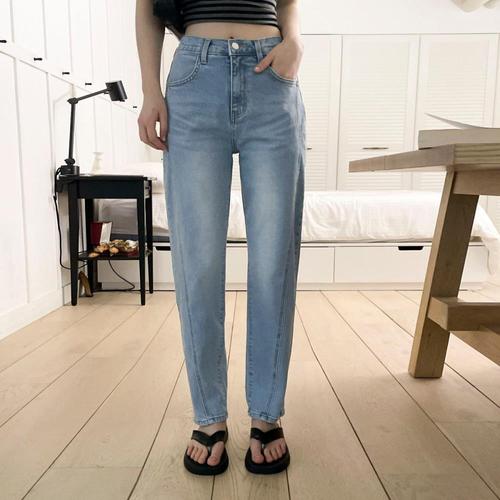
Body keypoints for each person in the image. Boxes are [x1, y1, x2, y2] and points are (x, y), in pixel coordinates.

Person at [136, 0, 305, 475]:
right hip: (195, 76)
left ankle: (267, 413)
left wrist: (294, 40)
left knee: (273, 262)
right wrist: (150, 91)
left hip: (272, 73)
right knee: (199, 263)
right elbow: (147, 7)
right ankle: (209, 415)